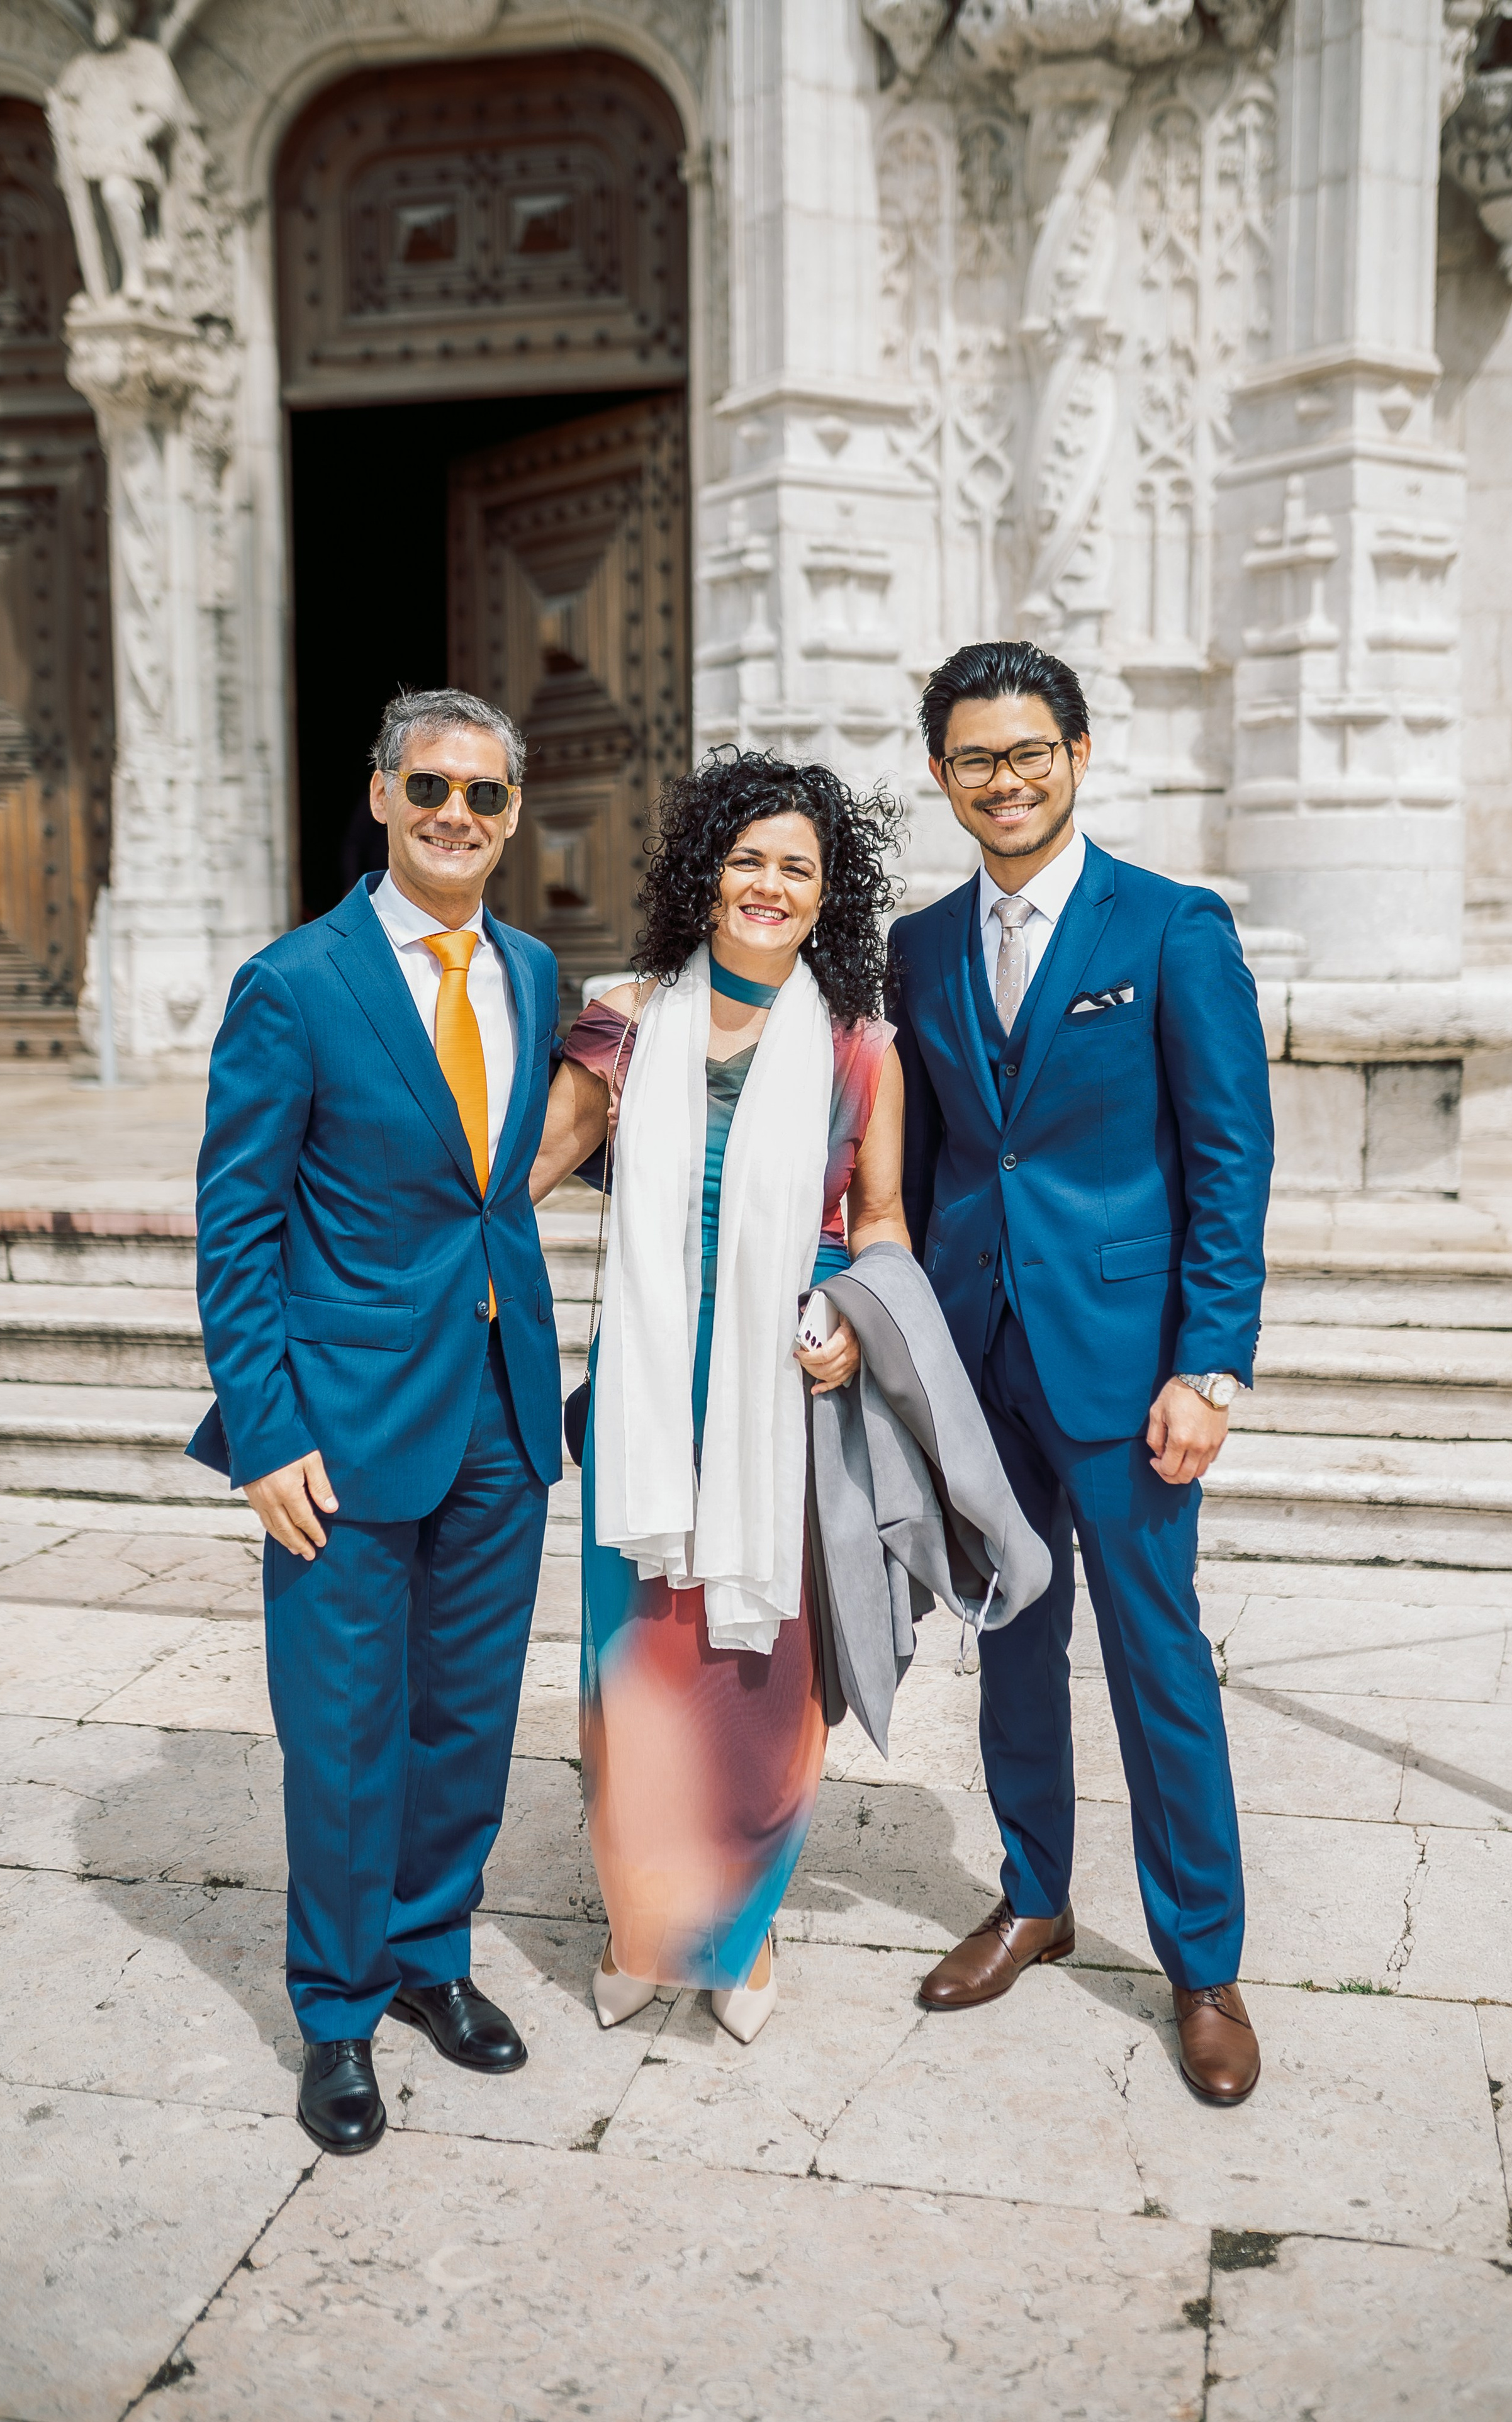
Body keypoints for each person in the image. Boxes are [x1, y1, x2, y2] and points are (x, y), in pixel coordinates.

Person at [888, 640, 1275, 2105]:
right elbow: (925, 1169)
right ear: (940, 776)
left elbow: (1228, 1162)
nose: (1005, 780)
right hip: (978, 1357)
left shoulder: (1170, 929)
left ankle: (1202, 1964)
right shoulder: (920, 947)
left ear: (1079, 752)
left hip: (1127, 1370)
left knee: (1157, 1659)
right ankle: (1033, 1896)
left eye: (1028, 752)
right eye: (975, 758)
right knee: (1008, 1644)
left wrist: (1208, 1367)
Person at [188, 687, 562, 2154]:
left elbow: (510, 1177)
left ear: (513, 813)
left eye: (482, 794)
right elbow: (235, 1224)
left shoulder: (532, 969)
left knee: (465, 1719)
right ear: (382, 796)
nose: (456, 815)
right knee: (343, 1733)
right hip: (336, 1428)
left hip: (500, 1411)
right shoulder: (296, 980)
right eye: (430, 789)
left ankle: (429, 1960)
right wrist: (264, 1428)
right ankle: (336, 2013)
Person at [532, 750, 907, 2042]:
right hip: (647, 1385)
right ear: (705, 875)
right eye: (746, 857)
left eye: (795, 867)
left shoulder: (860, 1050)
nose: (767, 883)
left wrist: (854, 1328)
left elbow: (885, 1226)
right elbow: (526, 1168)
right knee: (635, 1674)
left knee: (759, 1677)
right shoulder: (626, 1015)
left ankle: (736, 1940)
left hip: (781, 1399)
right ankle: (644, 1927)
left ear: (825, 896)